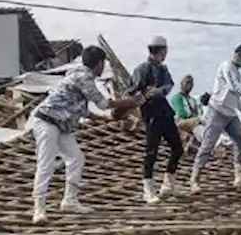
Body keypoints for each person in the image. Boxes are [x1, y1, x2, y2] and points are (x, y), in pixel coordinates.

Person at [30, 46, 141, 223]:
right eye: (102, 63)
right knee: (46, 163)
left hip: (61, 125)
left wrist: (105, 121)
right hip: (47, 121)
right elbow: (104, 103)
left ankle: (70, 201)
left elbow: (85, 112)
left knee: (76, 158)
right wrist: (129, 102)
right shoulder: (84, 76)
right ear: (98, 63)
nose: (103, 67)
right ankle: (39, 209)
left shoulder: (80, 78)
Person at [190, 44, 241, 194]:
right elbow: (233, 87)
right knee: (208, 145)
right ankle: (194, 180)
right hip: (217, 111)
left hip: (230, 115)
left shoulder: (238, 73)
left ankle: (240, 179)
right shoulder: (226, 67)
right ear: (238, 54)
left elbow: (235, 99)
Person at [132, 35, 182, 205]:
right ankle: (148, 190)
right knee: (151, 152)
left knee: (177, 148)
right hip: (151, 112)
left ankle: (168, 185)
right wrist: (146, 93)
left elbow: (169, 86)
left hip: (165, 112)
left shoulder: (163, 69)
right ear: (162, 51)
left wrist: (159, 91)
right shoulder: (141, 69)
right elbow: (133, 90)